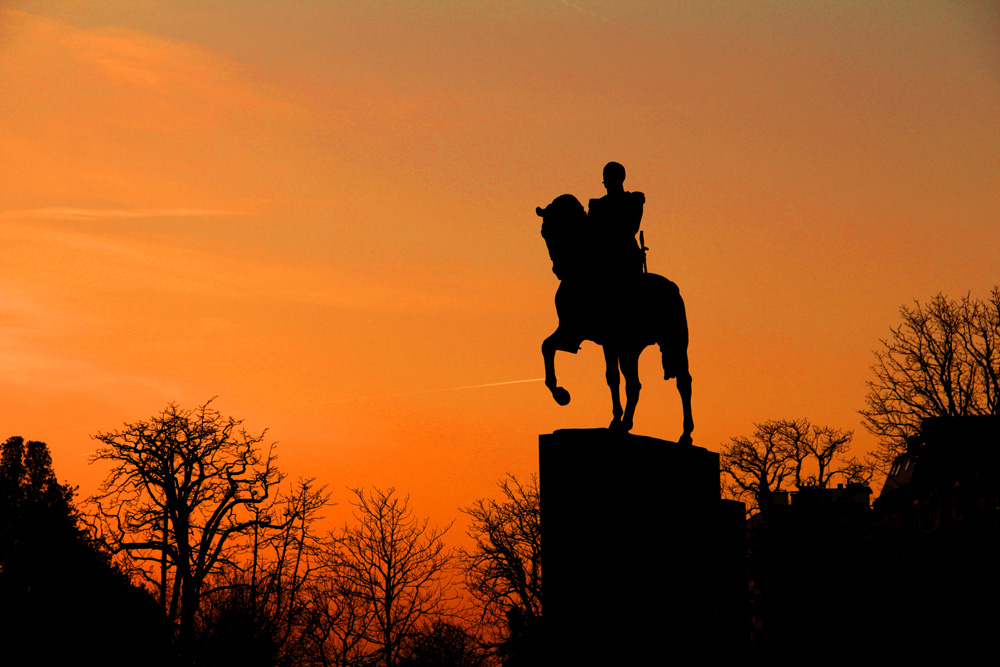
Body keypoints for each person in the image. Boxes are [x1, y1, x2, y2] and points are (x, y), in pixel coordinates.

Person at [587, 162, 645, 284]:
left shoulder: (633, 200)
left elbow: (630, 228)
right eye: (605, 175)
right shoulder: (596, 205)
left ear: (620, 178)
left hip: (626, 256)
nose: (606, 179)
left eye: (609, 175)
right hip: (601, 258)